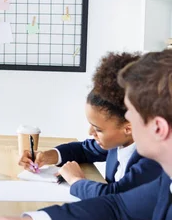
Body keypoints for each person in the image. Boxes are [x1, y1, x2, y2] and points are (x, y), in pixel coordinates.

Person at [0, 50, 172, 220]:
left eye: (131, 113)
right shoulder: (166, 181)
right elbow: (117, 208)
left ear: (158, 128)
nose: (127, 117)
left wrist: (76, 181)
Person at [18, 52, 161, 199]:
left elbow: (114, 196)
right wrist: (47, 156)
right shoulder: (119, 142)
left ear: (128, 128)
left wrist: (76, 180)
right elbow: (84, 150)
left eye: (98, 129)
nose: (90, 132)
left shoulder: (152, 159)